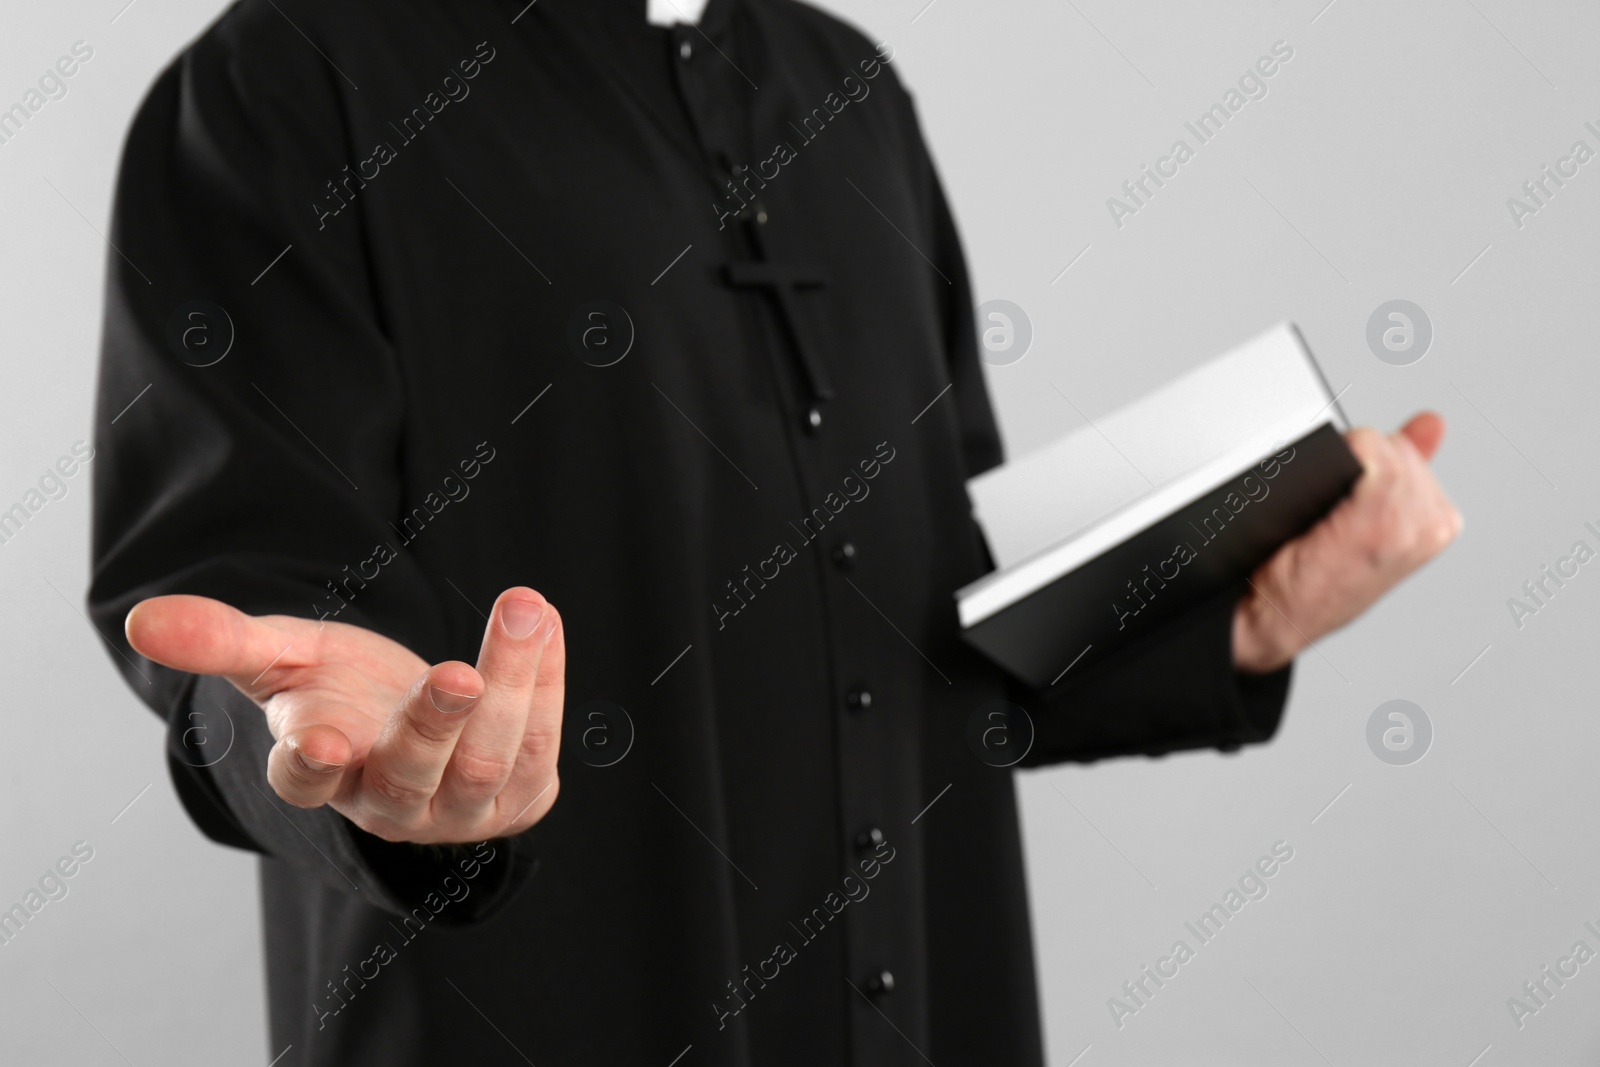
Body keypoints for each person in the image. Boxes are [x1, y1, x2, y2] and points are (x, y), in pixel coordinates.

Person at [87, 0, 1460, 1063]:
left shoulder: (849, 88)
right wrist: (361, 765)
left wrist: (1242, 621)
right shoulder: (286, 79)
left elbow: (939, 617)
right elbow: (245, 612)